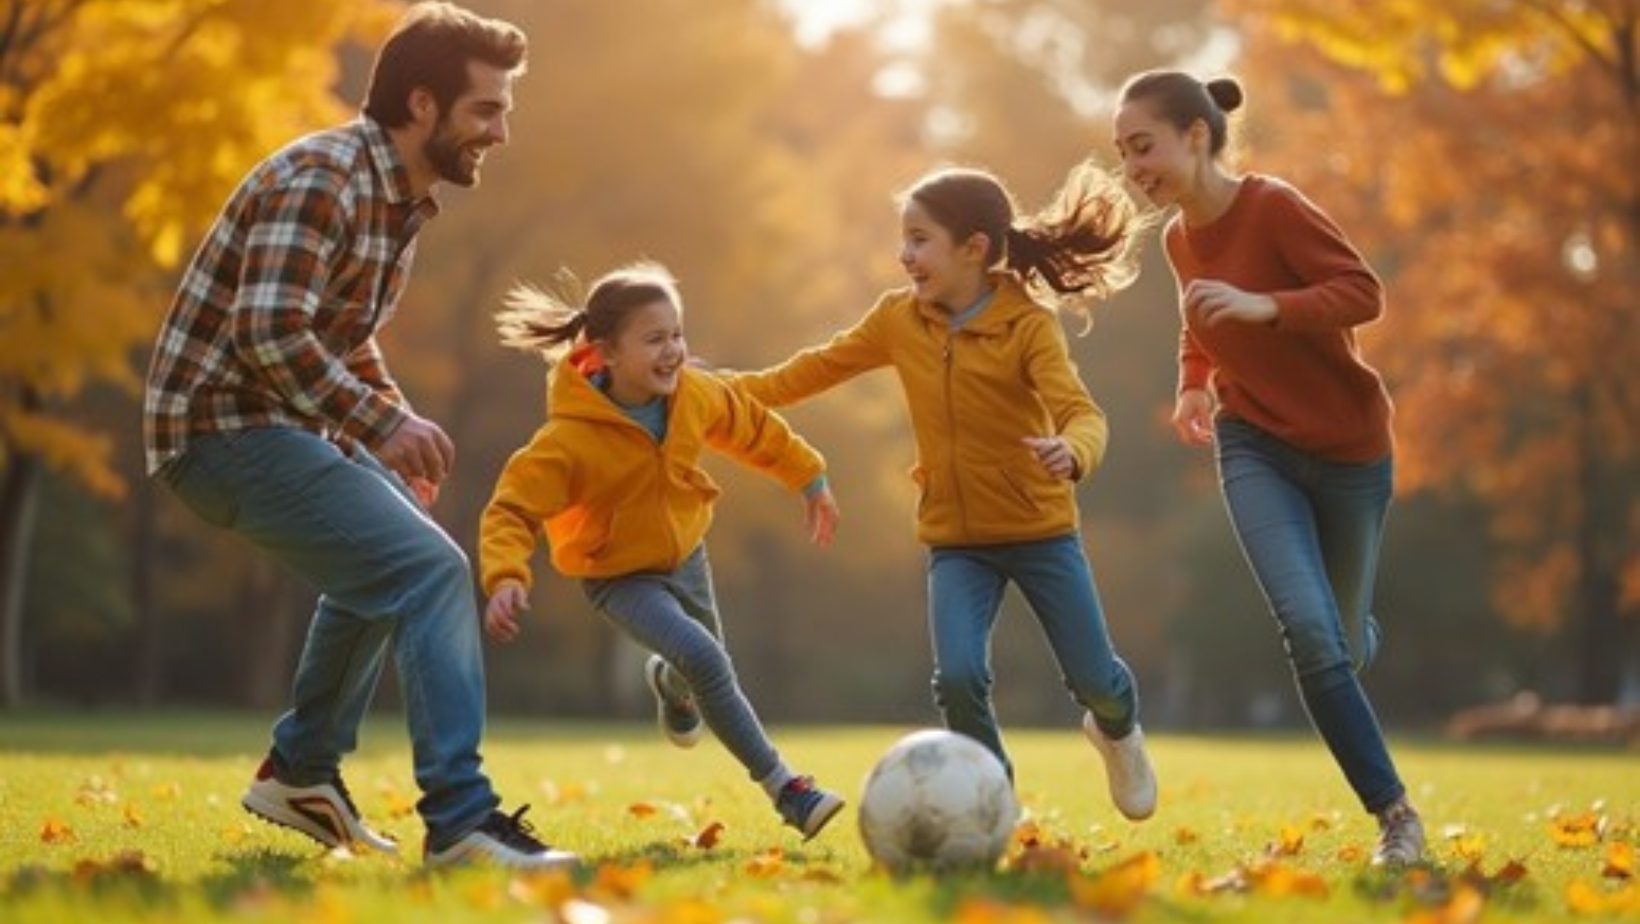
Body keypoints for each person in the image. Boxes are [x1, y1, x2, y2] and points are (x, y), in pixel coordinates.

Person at [142, 1, 575, 870]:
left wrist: (392, 419)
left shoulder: (396, 200)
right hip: (219, 430)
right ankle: (461, 823)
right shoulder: (327, 176)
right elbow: (268, 331)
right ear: (422, 105)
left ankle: (300, 771)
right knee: (427, 570)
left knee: (392, 563)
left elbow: (338, 330)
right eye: (486, 110)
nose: (500, 132)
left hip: (279, 425)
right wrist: (380, 422)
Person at [724, 163, 1158, 822]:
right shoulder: (898, 319)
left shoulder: (1028, 327)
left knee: (1097, 680)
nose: (906, 255)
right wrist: (717, 389)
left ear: (974, 249)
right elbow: (810, 370)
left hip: (1041, 533)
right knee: (957, 678)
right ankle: (995, 800)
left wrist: (1072, 453)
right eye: (904, 238)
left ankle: (1118, 731)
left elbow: (1083, 414)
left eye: (920, 239)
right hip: (958, 542)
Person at [1111, 70, 1424, 865]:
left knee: (1342, 645)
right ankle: (1396, 818)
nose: (1131, 167)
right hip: (1255, 443)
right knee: (1310, 635)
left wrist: (1270, 307)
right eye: (1121, 154)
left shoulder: (1273, 206)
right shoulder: (1179, 239)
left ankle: (1357, 633)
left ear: (1196, 134)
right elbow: (1200, 318)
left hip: (1351, 450)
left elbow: (1363, 292)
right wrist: (1190, 385)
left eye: (1142, 146)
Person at [477, 261, 848, 841]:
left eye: (677, 334)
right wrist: (505, 575)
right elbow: (512, 508)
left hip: (686, 556)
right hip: (618, 577)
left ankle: (670, 685)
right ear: (606, 353)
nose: (673, 350)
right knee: (706, 659)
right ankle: (788, 789)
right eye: (655, 339)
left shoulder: (694, 396)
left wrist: (810, 476)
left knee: (701, 665)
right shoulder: (569, 440)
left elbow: (755, 428)